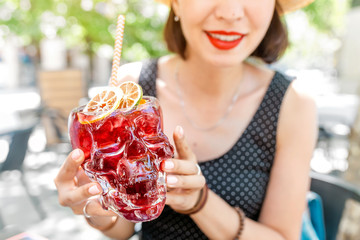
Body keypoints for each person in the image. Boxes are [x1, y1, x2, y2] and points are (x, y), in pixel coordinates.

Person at [54, 0, 318, 239]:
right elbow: (121, 228)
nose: (230, 13)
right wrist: (94, 207)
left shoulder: (292, 104)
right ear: (176, 4)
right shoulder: (130, 91)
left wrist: (199, 203)